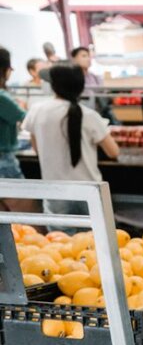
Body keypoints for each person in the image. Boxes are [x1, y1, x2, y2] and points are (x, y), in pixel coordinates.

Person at [22, 63, 120, 219]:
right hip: (90, 191)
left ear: (54, 86)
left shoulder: (37, 111)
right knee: (96, 239)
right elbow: (113, 151)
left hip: (55, 191)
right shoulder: (89, 116)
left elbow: (37, 149)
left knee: (62, 240)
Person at [71, 46, 116, 124]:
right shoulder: (71, 78)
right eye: (84, 56)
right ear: (74, 59)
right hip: (81, 118)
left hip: (98, 116)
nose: (88, 59)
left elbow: (104, 94)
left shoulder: (95, 77)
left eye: (88, 56)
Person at [0, 48, 26, 181]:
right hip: (4, 159)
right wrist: (21, 107)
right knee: (26, 200)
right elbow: (25, 118)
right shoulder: (1, 96)